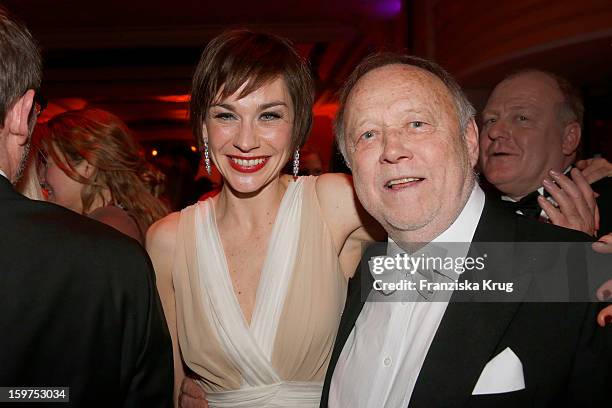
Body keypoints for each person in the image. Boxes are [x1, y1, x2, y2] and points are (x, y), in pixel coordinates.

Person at [320, 53, 611, 407]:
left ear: (470, 140)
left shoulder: (582, 272)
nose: (392, 150)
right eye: (367, 134)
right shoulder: (360, 275)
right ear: (351, 164)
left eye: (416, 124)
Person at [146, 30, 381, 407]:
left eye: (268, 115)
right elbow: (168, 387)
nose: (246, 140)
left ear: (297, 125)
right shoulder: (168, 241)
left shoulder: (332, 202)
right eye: (226, 115)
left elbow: (460, 258)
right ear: (204, 128)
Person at [0, 7, 173, 406]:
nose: (41, 174)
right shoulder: (107, 250)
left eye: (49, 161)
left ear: (87, 164)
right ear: (22, 116)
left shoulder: (107, 233)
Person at [479, 69, 611, 238]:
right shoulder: (462, 211)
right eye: (490, 120)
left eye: (522, 118)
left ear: (568, 138)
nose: (495, 131)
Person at [34, 108, 169, 244]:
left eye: (47, 163)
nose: (40, 178)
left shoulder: (107, 227)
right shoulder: (114, 221)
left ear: (87, 166)